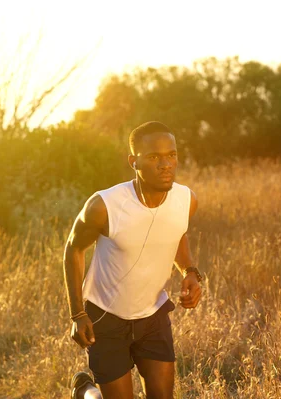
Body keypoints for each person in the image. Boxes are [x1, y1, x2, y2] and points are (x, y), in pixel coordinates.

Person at [63, 121, 203, 399]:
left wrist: (189, 270)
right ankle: (85, 392)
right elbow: (73, 249)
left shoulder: (186, 200)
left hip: (153, 316)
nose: (166, 164)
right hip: (106, 317)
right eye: (154, 157)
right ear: (133, 161)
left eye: (171, 155)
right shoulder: (104, 206)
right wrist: (78, 314)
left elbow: (177, 233)